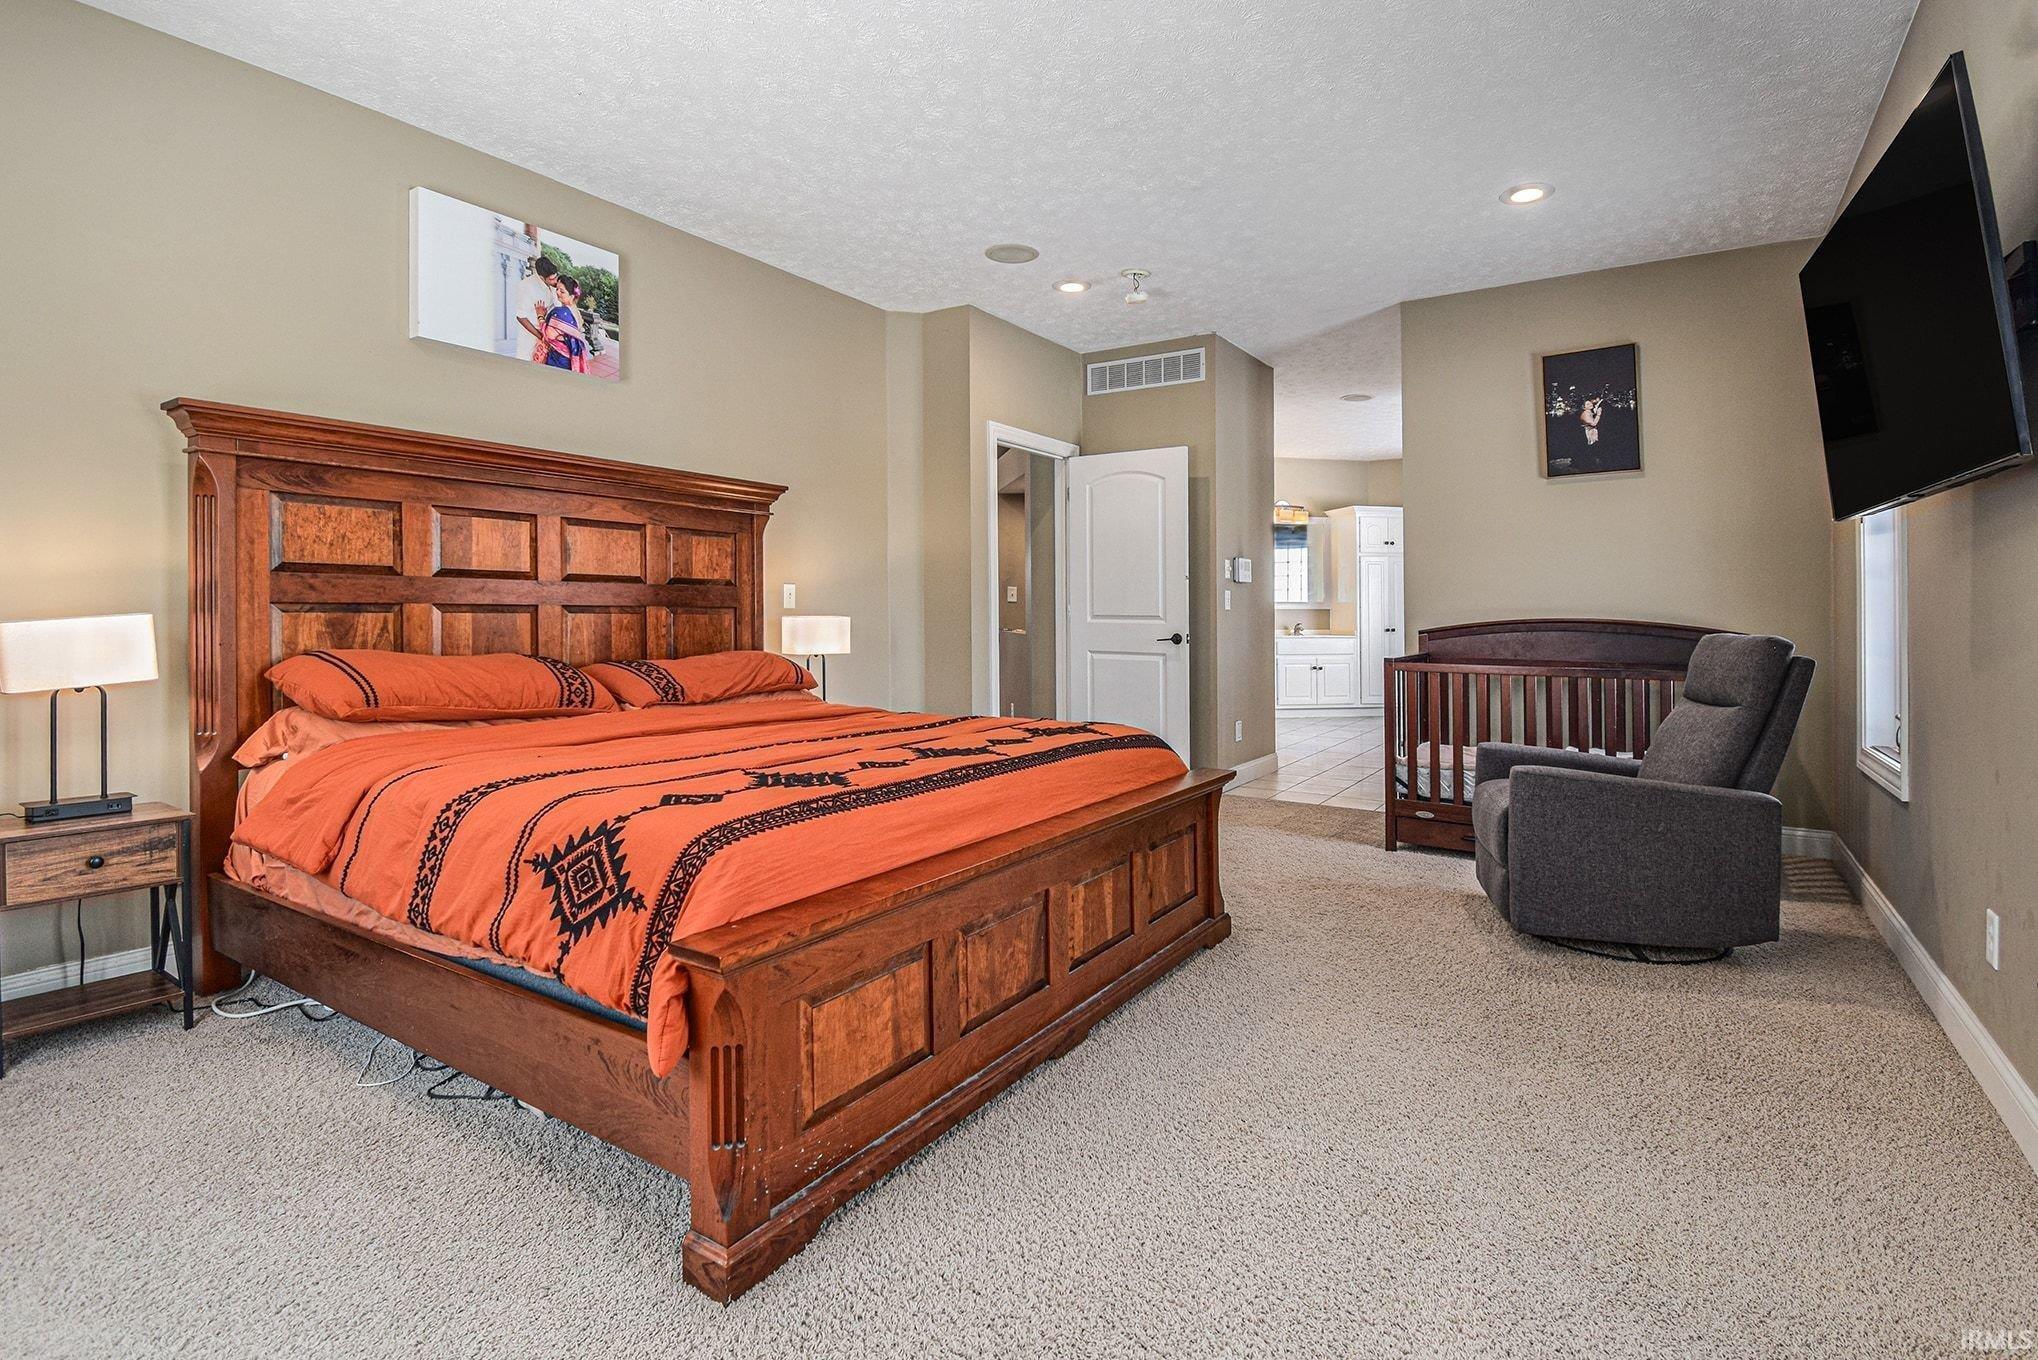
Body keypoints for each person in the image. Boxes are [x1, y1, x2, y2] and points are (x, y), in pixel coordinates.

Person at [521, 272, 589, 373]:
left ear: (572, 295)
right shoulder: (576, 312)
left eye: (562, 291)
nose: (557, 292)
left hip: (558, 358)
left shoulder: (560, 312)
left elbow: (548, 335)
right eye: (557, 289)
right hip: (568, 358)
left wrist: (540, 315)